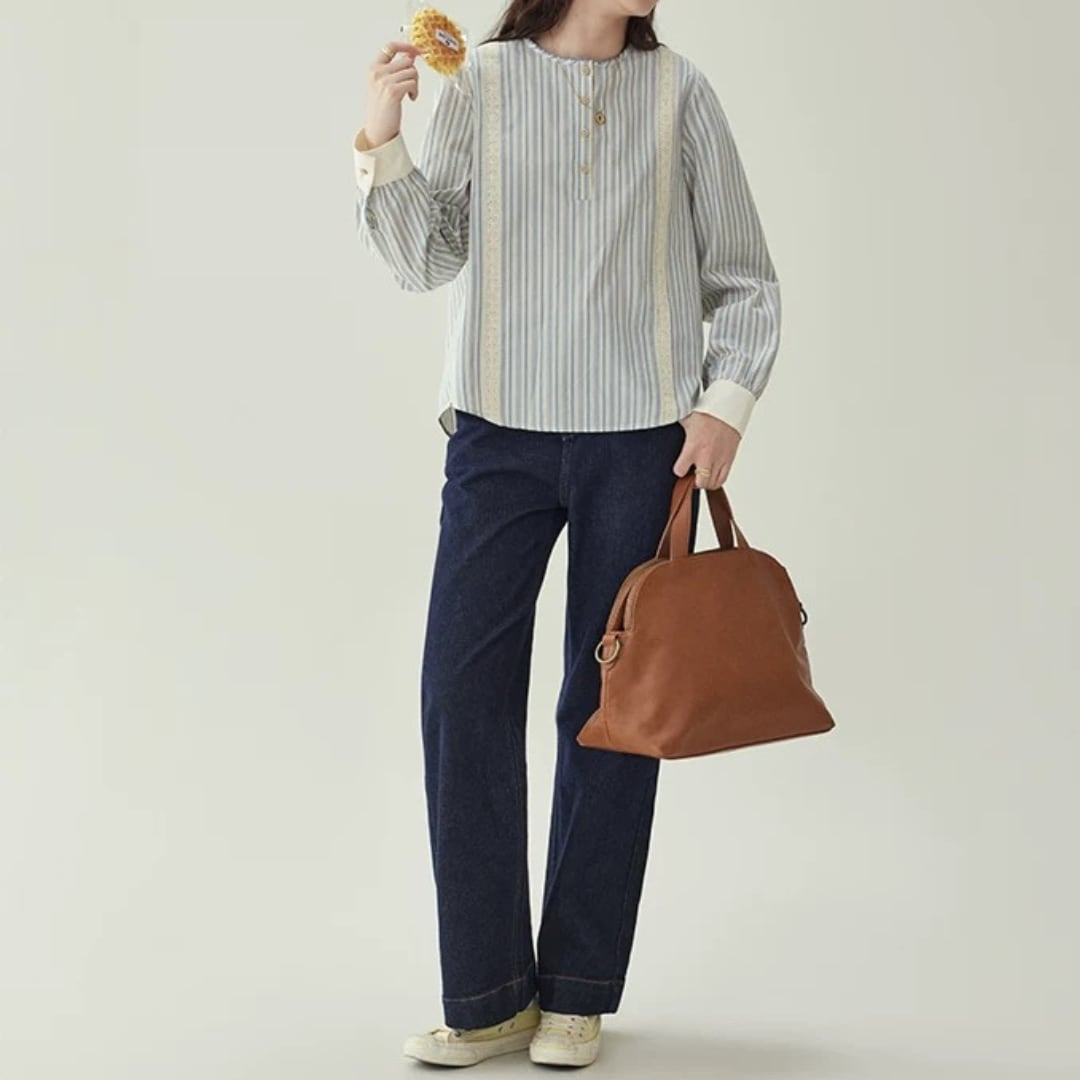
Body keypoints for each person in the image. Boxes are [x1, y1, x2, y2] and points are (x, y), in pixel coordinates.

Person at [352, 0, 781, 1067]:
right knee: (461, 696)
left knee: (611, 712)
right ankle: (488, 995)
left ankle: (578, 990)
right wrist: (382, 136)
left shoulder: (681, 91)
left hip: (644, 446)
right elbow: (426, 259)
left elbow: (745, 276)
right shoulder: (483, 83)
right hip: (495, 433)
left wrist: (724, 407)